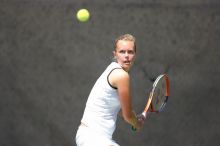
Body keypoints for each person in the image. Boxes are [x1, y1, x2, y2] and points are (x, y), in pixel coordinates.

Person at [75, 34, 144, 146]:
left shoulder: (112, 69)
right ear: (115, 54)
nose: (126, 56)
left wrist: (135, 118)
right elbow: (127, 116)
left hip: (88, 137)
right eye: (122, 52)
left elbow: (118, 109)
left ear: (135, 55)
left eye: (130, 52)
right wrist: (136, 123)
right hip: (92, 138)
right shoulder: (121, 75)